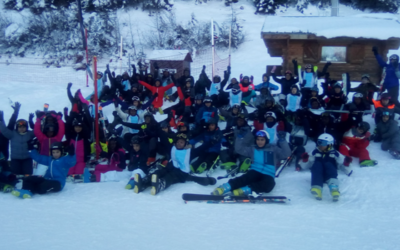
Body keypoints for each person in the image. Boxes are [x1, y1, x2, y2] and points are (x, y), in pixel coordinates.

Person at [212, 130, 291, 196]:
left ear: (266, 140)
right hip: (255, 171)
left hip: (268, 173)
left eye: (262, 140)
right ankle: (225, 187)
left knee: (269, 184)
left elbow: (287, 153)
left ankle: (246, 190)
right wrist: (239, 138)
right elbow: (239, 149)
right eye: (258, 139)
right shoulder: (253, 149)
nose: (259, 142)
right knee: (245, 178)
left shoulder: (274, 149)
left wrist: (282, 141)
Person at [149, 133, 217, 195]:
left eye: (181, 142)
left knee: (171, 176)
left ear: (185, 144)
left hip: (181, 174)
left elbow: (201, 148)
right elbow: (165, 140)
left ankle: (161, 184)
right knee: (161, 171)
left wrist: (211, 142)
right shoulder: (173, 148)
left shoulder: (189, 152)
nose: (179, 143)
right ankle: (145, 181)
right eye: (178, 142)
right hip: (171, 168)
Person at [11, 142, 76, 199]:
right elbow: (39, 158)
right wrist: (32, 149)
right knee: (29, 178)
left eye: (57, 152)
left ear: (61, 152)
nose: (55, 154)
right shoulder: (50, 159)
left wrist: (72, 155)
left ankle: (31, 190)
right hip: (47, 179)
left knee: (42, 186)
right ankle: (25, 191)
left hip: (58, 183)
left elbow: (72, 162)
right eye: (53, 152)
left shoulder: (64, 160)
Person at [299, 133, 350, 201]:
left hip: (330, 175)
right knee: (317, 164)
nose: (320, 145)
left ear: (330, 144)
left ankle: (334, 189)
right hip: (318, 175)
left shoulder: (335, 153)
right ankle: (317, 188)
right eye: (319, 142)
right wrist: (305, 160)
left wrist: (346, 163)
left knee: (329, 164)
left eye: (322, 143)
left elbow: (344, 167)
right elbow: (305, 166)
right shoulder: (315, 152)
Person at [0, 111, 35, 175]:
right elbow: (4, 130)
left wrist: (31, 121)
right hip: (15, 159)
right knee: (15, 175)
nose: (22, 129)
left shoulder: (30, 134)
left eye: (24, 127)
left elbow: (38, 131)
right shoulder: (12, 134)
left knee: (27, 175)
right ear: (17, 127)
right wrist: (1, 122)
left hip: (27, 159)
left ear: (26, 128)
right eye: (20, 127)